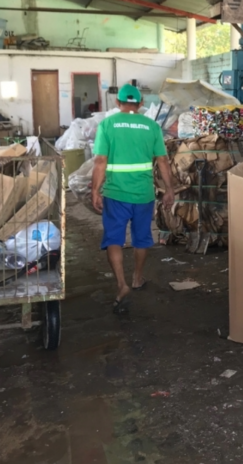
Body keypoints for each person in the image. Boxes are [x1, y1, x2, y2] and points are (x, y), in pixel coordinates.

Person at [92, 84, 175, 314]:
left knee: (114, 239)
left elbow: (100, 161)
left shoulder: (107, 124)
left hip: (115, 193)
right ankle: (137, 277)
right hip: (143, 194)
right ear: (140, 104)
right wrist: (169, 189)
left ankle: (122, 284)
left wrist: (95, 190)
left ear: (117, 103)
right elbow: (163, 161)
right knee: (141, 238)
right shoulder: (151, 126)